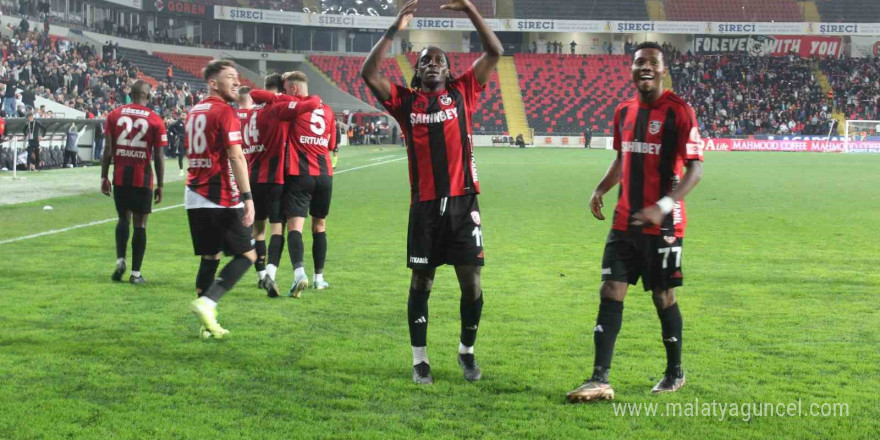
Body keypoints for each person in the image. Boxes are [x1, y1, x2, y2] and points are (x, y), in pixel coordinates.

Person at [361, 0, 502, 385]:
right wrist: (395, 26)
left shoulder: (464, 91)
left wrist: (471, 9)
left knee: (471, 282)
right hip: (424, 207)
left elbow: (495, 51)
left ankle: (466, 351)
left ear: (449, 69)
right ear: (417, 70)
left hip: (463, 202)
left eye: (439, 60)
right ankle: (420, 359)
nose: (433, 64)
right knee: (421, 282)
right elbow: (367, 71)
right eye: (425, 60)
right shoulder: (405, 102)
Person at [566, 42, 704, 403]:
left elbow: (696, 170)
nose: (645, 67)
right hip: (625, 220)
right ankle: (599, 379)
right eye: (638, 62)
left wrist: (664, 205)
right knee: (610, 290)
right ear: (630, 69)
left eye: (652, 62)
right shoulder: (623, 111)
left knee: (663, 296)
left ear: (662, 70)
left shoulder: (679, 112)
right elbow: (622, 158)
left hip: (664, 225)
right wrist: (600, 188)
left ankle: (675, 373)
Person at [186, 60, 256, 340]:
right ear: (213, 83)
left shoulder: (194, 110)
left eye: (237, 77)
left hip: (194, 194)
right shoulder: (225, 111)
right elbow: (236, 156)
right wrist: (248, 196)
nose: (236, 82)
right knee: (248, 254)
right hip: (220, 194)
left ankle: (206, 326)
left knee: (210, 256)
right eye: (230, 78)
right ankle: (208, 302)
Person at [257, 71, 335, 298]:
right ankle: (319, 279)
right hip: (325, 176)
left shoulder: (292, 105)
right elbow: (331, 144)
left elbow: (259, 96)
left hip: (300, 175)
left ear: (291, 90)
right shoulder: (327, 110)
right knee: (319, 226)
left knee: (294, 228)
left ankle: (299, 273)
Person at [100, 80, 168, 284]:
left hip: (120, 176)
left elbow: (108, 149)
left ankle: (121, 260)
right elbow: (159, 156)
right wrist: (161, 185)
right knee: (140, 224)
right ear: (148, 97)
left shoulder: (114, 115)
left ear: (130, 94)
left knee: (123, 219)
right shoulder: (156, 120)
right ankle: (136, 274)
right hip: (142, 177)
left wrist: (104, 176)